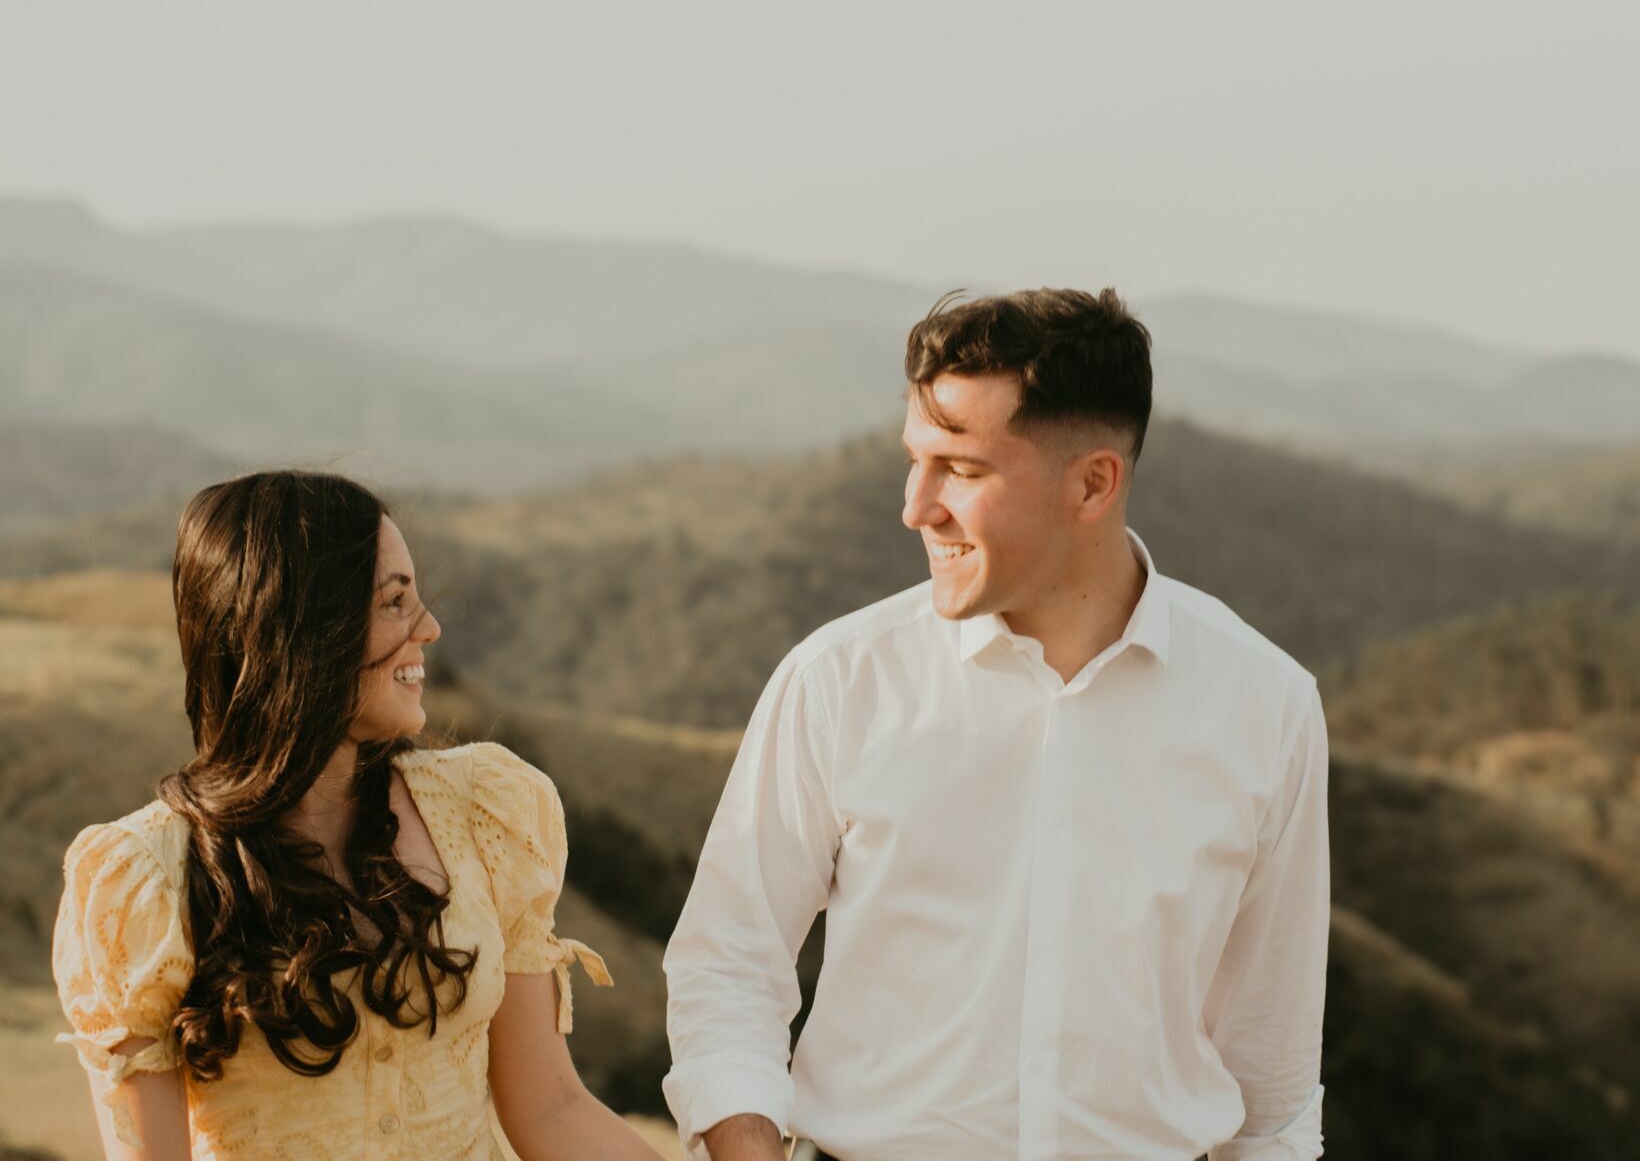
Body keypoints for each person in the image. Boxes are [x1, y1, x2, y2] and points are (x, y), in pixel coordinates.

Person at [662, 288, 1331, 1160]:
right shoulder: (839, 681)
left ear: (1094, 483)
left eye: (962, 470)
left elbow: (1269, 1085)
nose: (916, 505)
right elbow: (726, 969)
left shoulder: (1266, 706)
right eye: (916, 459)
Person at [51, 471, 663, 1161]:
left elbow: (551, 1108)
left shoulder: (483, 808)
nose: (429, 626)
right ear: (302, 632)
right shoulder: (144, 881)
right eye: (395, 602)